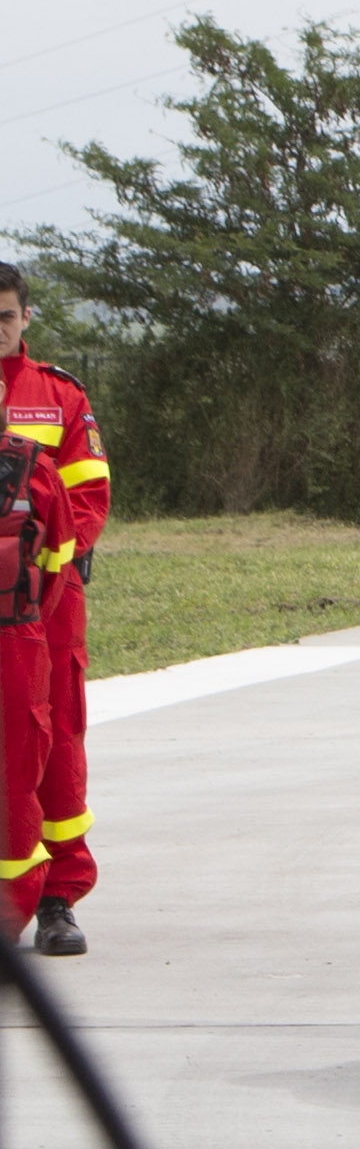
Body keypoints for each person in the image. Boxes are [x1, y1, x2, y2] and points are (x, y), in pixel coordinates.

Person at [0, 265, 106, 957]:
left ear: (26, 318)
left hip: (44, 607)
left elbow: (89, 500)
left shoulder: (57, 396)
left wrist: (40, 571)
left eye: (5, 317)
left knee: (54, 746)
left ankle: (57, 900)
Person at [3, 424, 79, 945]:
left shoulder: (36, 467)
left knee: (17, 771)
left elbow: (56, 563)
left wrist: (22, 618)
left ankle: (14, 912)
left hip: (13, 639)